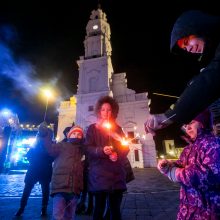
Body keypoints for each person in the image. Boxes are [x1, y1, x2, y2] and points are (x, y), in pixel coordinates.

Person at [144, 10, 220, 134]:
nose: (189, 49)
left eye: (186, 42)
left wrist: (169, 115)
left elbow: (209, 80)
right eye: (185, 48)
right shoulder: (208, 63)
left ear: (196, 28)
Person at [157, 109, 220, 219]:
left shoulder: (213, 144)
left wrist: (176, 173)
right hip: (187, 211)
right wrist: (168, 165)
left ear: (203, 123)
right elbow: (181, 165)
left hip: (207, 212)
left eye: (191, 123)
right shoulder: (188, 148)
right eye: (186, 125)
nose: (187, 128)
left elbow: (208, 175)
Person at [85, 95, 130, 220]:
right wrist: (101, 150)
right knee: (98, 209)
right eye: (103, 109)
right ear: (99, 111)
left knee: (115, 210)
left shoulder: (118, 129)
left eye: (109, 109)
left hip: (116, 175)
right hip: (99, 175)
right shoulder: (92, 129)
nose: (106, 112)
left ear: (113, 111)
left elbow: (125, 147)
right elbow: (87, 148)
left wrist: (117, 155)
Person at [42, 124, 84, 220]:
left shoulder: (81, 150)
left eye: (79, 134)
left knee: (70, 216)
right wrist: (46, 135)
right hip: (60, 187)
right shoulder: (62, 145)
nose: (76, 136)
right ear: (69, 135)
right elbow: (50, 149)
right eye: (74, 133)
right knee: (58, 215)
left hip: (74, 189)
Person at [15, 122, 54, 217]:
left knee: (43, 191)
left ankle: (40, 209)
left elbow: (52, 156)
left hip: (40, 169)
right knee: (29, 190)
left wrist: (34, 160)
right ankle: (22, 208)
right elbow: (29, 155)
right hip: (37, 169)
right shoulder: (40, 142)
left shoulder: (47, 143)